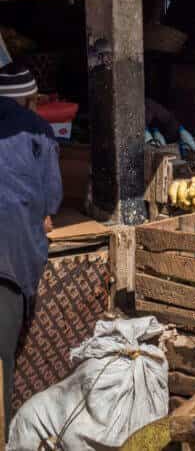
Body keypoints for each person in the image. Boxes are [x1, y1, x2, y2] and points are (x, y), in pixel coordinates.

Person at [0, 63, 62, 432]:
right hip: (8, 261)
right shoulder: (38, 131)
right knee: (2, 361)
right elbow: (52, 197)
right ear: (27, 100)